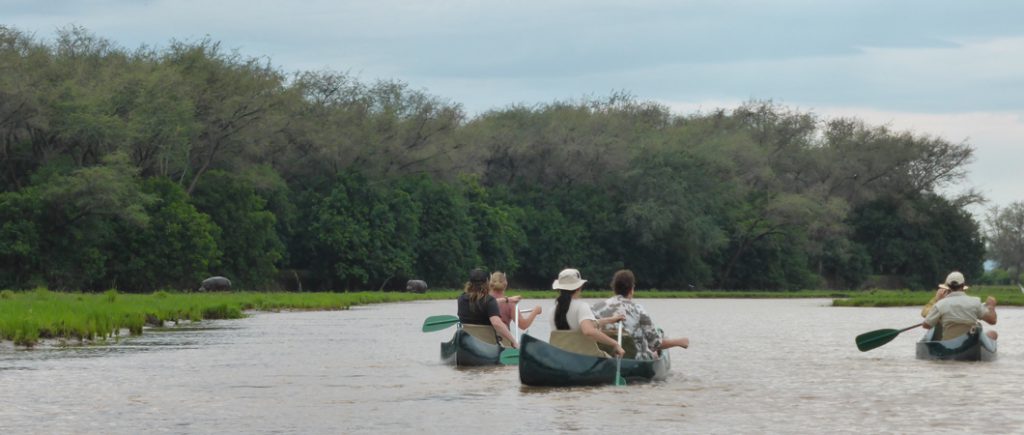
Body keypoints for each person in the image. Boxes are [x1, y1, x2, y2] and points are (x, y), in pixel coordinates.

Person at [591, 269, 689, 360]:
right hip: (633, 359)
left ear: (614, 288)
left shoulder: (596, 307)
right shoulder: (638, 310)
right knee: (654, 350)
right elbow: (655, 343)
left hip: (605, 357)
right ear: (632, 289)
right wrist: (680, 342)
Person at [550, 268, 626, 357]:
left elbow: (584, 324)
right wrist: (615, 344)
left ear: (559, 289)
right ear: (579, 288)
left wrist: (611, 320)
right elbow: (588, 330)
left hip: (559, 359)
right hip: (584, 359)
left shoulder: (553, 310)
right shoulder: (581, 306)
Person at [921, 271, 998, 341]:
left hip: (948, 343)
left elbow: (926, 325)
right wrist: (991, 306)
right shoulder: (976, 302)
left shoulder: (940, 303)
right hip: (970, 341)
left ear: (947, 286)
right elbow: (992, 321)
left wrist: (938, 303)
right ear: (963, 285)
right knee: (993, 334)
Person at [457, 268, 518, 348]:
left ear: (470, 283)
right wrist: (514, 342)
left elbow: (480, 302)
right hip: (488, 346)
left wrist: (507, 299)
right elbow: (496, 323)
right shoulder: (489, 301)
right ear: (487, 282)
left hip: (468, 344)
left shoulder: (461, 299)